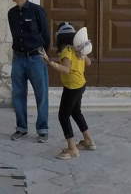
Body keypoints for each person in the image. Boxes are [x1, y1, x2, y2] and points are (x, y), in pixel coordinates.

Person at [5, 0, 50, 143]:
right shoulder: (11, 13)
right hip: (19, 58)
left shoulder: (37, 11)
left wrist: (44, 54)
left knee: (41, 94)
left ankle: (43, 129)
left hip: (36, 58)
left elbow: (45, 34)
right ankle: (21, 128)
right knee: (18, 93)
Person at [41, 22, 95, 160]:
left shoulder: (66, 51)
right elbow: (89, 63)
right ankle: (88, 141)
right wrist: (83, 53)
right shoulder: (78, 49)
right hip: (80, 84)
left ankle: (72, 149)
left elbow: (66, 69)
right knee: (76, 112)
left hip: (72, 87)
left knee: (63, 116)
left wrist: (49, 62)